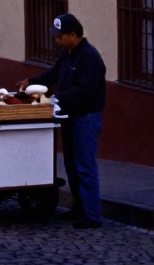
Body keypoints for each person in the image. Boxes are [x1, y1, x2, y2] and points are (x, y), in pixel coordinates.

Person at [18, 13, 106, 229]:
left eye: (60, 37)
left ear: (73, 34)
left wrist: (55, 98)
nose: (56, 40)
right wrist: (31, 82)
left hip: (85, 117)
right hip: (68, 116)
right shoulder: (68, 53)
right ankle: (78, 208)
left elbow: (84, 90)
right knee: (71, 165)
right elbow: (53, 75)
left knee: (85, 165)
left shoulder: (90, 57)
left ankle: (92, 216)